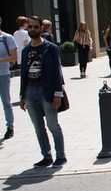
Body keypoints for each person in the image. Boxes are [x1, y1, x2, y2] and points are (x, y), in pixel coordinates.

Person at [19, 16, 67, 168]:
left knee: (53, 125)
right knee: (38, 127)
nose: (32, 30)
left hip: (46, 91)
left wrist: (57, 94)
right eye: (30, 27)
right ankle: (46, 156)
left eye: (35, 27)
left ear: (41, 28)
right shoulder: (26, 50)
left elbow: (58, 73)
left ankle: (61, 156)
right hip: (29, 91)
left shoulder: (51, 48)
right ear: (27, 28)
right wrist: (22, 95)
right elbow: (23, 73)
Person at [0, 16, 18, 139]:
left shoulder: (7, 38)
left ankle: (10, 126)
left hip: (3, 74)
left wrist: (1, 60)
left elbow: (14, 57)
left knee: (6, 101)